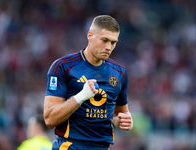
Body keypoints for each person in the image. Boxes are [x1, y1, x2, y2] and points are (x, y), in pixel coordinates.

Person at [44, 15, 133, 150]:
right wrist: (80, 97)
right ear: (90, 35)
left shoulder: (119, 73)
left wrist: (122, 121)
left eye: (113, 42)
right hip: (70, 146)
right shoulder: (63, 66)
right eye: (104, 40)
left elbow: (120, 113)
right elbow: (50, 119)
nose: (109, 47)